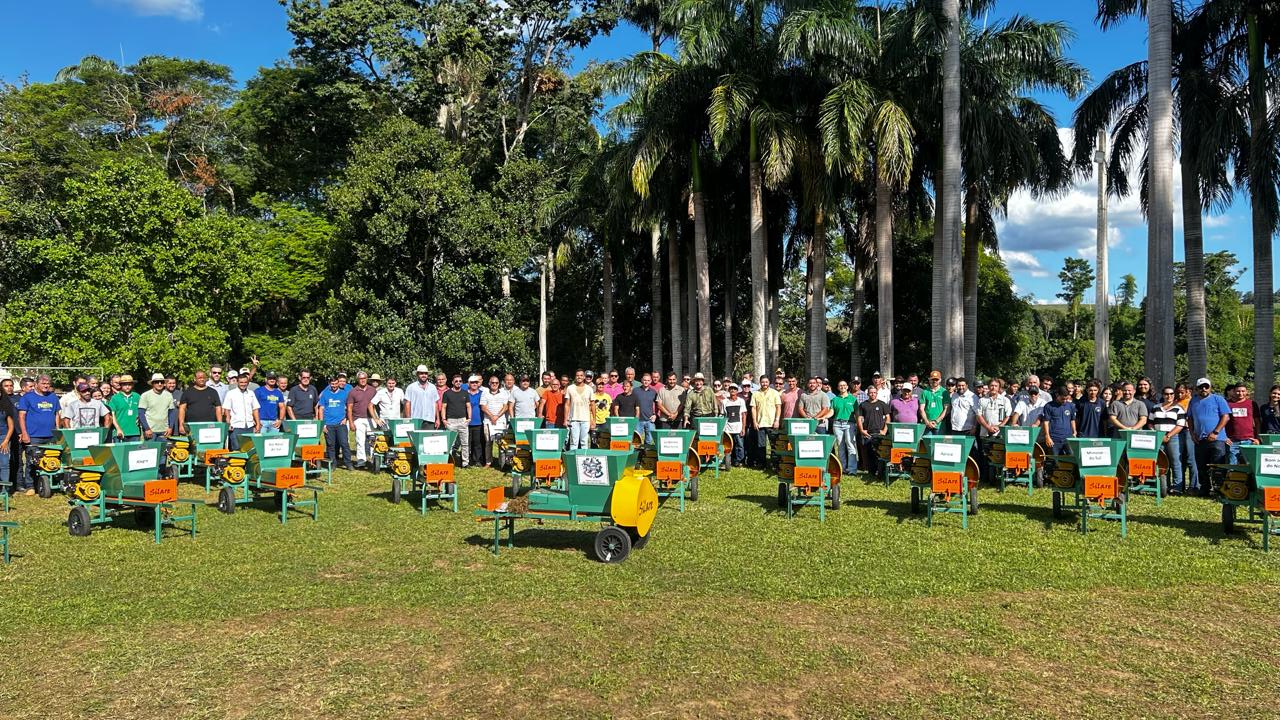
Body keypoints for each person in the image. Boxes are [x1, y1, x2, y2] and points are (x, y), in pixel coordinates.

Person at [1187, 377, 1231, 496]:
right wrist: (1192, 434)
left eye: (1206, 386)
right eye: (1201, 387)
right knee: (1202, 466)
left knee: (1218, 466)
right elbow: (1189, 418)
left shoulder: (1218, 399)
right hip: (1200, 439)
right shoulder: (1193, 401)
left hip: (1217, 439)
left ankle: (1219, 490)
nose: (1204, 389)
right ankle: (1204, 489)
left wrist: (1215, 432)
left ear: (1210, 387)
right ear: (1196, 389)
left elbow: (1225, 417)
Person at [1150, 386, 1187, 493]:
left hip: (1173, 437)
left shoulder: (1179, 408)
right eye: (1166, 394)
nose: (1169, 396)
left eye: (1171, 394)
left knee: (1175, 462)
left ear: (1174, 395)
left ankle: (1177, 487)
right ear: (1163, 395)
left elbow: (1180, 425)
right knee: (1162, 463)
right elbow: (1150, 422)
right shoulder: (1156, 407)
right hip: (1158, 437)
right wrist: (1156, 434)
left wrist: (1168, 435)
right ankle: (1164, 486)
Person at [318, 375, 352, 470]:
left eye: (336, 383)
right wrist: (322, 424)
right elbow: (321, 409)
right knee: (330, 445)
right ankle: (333, 463)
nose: (334, 385)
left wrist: (346, 418)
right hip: (328, 424)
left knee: (344, 443)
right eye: (332, 384)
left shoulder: (344, 394)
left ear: (338, 383)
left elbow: (348, 407)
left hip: (341, 424)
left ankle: (348, 463)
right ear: (330, 384)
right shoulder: (325, 394)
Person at [346, 371, 378, 469]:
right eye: (361, 378)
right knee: (360, 440)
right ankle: (361, 460)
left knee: (373, 440)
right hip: (358, 418)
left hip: (371, 418)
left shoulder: (372, 390)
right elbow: (349, 408)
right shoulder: (353, 392)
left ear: (367, 379)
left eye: (364, 378)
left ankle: (374, 460)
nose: (363, 380)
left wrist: (377, 418)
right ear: (358, 379)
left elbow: (376, 405)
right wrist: (351, 422)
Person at [856, 386, 890, 473]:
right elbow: (859, 418)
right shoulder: (863, 405)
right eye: (871, 393)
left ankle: (881, 471)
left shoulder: (882, 404)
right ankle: (871, 471)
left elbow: (887, 417)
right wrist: (862, 430)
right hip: (868, 433)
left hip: (879, 433)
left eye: (874, 392)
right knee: (869, 453)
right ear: (867, 394)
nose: (873, 394)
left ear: (877, 393)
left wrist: (885, 430)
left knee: (880, 453)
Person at [223, 372, 261, 449]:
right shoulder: (231, 393)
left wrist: (258, 423)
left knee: (249, 449)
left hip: (250, 426)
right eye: (241, 382)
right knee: (237, 449)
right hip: (236, 426)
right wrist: (228, 423)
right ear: (237, 382)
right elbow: (227, 410)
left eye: (245, 382)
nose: (243, 384)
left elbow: (255, 409)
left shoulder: (251, 393)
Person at [750, 376, 781, 468]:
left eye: (766, 382)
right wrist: (755, 422)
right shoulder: (755, 394)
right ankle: (762, 463)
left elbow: (778, 407)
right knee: (761, 445)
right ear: (760, 383)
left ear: (769, 382)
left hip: (772, 423)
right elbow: (753, 408)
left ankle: (774, 464)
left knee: (774, 445)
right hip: (760, 423)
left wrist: (777, 420)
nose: (765, 384)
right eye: (763, 382)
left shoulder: (774, 393)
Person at [1174, 383, 1200, 496]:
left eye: (1182, 392)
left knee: (1191, 459)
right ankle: (1180, 485)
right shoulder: (1174, 402)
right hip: (1177, 431)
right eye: (1178, 392)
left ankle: (1194, 485)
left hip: (1189, 431)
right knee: (1180, 458)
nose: (1180, 394)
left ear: (1187, 392)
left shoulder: (1191, 402)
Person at [1225, 383, 1259, 465]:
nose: (1240, 393)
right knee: (1232, 467)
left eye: (1243, 391)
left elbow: (1257, 422)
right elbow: (1222, 421)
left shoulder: (1252, 404)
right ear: (1234, 391)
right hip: (1232, 441)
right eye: (1238, 391)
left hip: (1249, 440)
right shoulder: (1227, 404)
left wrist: (1257, 438)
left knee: (1248, 467)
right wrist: (1224, 437)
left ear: (1246, 391)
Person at [480, 375, 511, 467]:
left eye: (496, 383)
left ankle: (502, 462)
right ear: (489, 383)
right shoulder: (485, 393)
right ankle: (488, 462)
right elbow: (483, 407)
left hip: (500, 421)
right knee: (488, 442)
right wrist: (492, 416)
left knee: (501, 442)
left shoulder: (504, 393)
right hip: (488, 422)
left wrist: (496, 416)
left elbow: (506, 406)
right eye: (492, 382)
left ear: (499, 384)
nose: (494, 384)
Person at [830, 380, 858, 473]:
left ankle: (852, 469)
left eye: (844, 385)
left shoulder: (853, 399)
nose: (842, 387)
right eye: (840, 385)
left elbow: (857, 414)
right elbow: (832, 412)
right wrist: (824, 416)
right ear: (838, 388)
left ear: (847, 387)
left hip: (849, 424)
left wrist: (859, 424)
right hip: (837, 424)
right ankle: (842, 468)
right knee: (840, 446)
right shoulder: (835, 399)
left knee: (850, 445)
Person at [1040, 386, 1077, 455]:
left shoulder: (1071, 406)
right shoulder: (1049, 406)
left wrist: (1074, 432)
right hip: (1054, 439)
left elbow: (1072, 420)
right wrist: (1047, 436)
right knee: (1055, 461)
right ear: (1057, 395)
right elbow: (1046, 422)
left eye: (1067, 399)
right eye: (1063, 399)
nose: (1065, 401)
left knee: (1072, 459)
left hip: (1068, 438)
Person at [564, 369, 594, 450]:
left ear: (584, 377)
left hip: (585, 420)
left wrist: (593, 420)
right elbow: (567, 404)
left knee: (584, 442)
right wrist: (565, 419)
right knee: (574, 443)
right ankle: (573, 461)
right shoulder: (570, 388)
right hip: (573, 419)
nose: (579, 377)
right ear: (575, 377)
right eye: (577, 375)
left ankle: (584, 460)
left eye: (581, 375)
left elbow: (592, 405)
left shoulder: (589, 389)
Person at [138, 374, 174, 439]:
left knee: (164, 449)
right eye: (157, 382)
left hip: (164, 430)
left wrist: (170, 427)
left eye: (162, 382)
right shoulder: (145, 395)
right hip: (151, 431)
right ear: (152, 383)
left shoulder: (169, 395)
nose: (159, 384)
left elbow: (171, 412)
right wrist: (147, 428)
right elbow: (141, 413)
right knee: (150, 449)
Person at [107, 375, 142, 442]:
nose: (127, 386)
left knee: (133, 452)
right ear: (121, 385)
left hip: (134, 432)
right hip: (120, 432)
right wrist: (118, 429)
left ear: (133, 385)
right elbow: (112, 415)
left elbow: (142, 411)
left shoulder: (137, 396)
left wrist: (139, 417)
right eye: (125, 384)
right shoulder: (115, 398)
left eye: (129, 384)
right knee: (119, 452)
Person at [722, 384, 747, 467]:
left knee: (739, 445)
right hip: (728, 428)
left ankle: (740, 461)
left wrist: (743, 428)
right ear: (729, 390)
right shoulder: (725, 402)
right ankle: (728, 461)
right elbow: (723, 415)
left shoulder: (741, 401)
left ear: (737, 391)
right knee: (728, 446)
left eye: (734, 389)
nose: (733, 390)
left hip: (738, 428)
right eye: (731, 389)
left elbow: (744, 415)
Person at [465, 375, 486, 465]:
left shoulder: (482, 393)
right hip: (467, 422)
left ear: (478, 384)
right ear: (469, 384)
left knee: (477, 443)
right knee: (467, 443)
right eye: (472, 382)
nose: (474, 384)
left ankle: (477, 460)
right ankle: (467, 460)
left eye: (476, 382)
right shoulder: (464, 393)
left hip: (478, 421)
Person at [634, 373, 658, 443]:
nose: (646, 382)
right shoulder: (635, 391)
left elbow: (658, 405)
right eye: (644, 380)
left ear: (650, 381)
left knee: (649, 440)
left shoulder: (653, 392)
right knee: (636, 440)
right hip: (638, 420)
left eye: (648, 380)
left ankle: (645, 453)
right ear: (641, 380)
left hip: (649, 420)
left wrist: (655, 414)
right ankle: (636, 453)